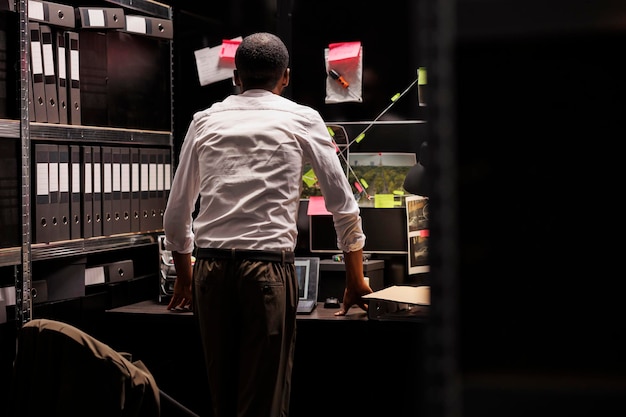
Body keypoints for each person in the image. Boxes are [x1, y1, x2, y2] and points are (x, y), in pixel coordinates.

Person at [162, 32, 372, 417]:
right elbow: (343, 206)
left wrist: (186, 276)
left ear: (236, 77)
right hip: (267, 271)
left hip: (209, 270)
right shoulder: (303, 118)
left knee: (220, 400)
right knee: (263, 402)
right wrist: (355, 280)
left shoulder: (204, 121)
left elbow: (176, 216)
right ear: (286, 77)